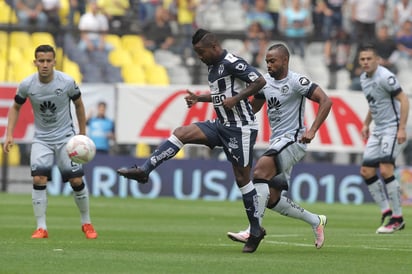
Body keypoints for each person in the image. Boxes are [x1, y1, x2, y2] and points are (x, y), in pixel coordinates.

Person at [117, 28, 267, 253]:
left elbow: (260, 81)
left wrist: (237, 98)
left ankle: (255, 231)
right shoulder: (212, 66)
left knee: (242, 179)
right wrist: (200, 98)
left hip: (241, 130)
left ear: (214, 47)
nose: (199, 56)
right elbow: (221, 96)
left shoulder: (232, 62)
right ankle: (145, 170)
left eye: (201, 51)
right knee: (181, 133)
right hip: (220, 124)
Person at [226, 43, 332, 249]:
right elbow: (252, 109)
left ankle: (253, 229)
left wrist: (312, 131)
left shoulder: (296, 81)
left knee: (259, 171)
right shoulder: (264, 83)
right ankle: (316, 221)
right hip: (277, 142)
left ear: (285, 60)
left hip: (294, 140)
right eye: (267, 61)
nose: (269, 65)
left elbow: (325, 101)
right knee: (273, 199)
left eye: (272, 61)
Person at [2, 45, 98, 239]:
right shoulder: (27, 84)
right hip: (41, 139)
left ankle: (86, 223)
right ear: (35, 62)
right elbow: (15, 107)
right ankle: (41, 227)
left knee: (76, 180)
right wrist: (9, 134)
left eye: (48, 61)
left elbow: (79, 105)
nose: (45, 64)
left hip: (66, 139)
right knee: (38, 179)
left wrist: (82, 134)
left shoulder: (67, 82)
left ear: (54, 62)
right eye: (41, 61)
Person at [357, 44, 409, 234]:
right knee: (366, 171)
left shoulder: (385, 77)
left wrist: (402, 128)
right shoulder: (364, 78)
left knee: (386, 169)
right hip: (378, 129)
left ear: (377, 60)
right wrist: (365, 124)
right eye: (362, 59)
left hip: (392, 128)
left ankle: (397, 218)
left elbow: (404, 99)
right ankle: (386, 210)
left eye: (369, 58)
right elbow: (374, 102)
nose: (365, 62)